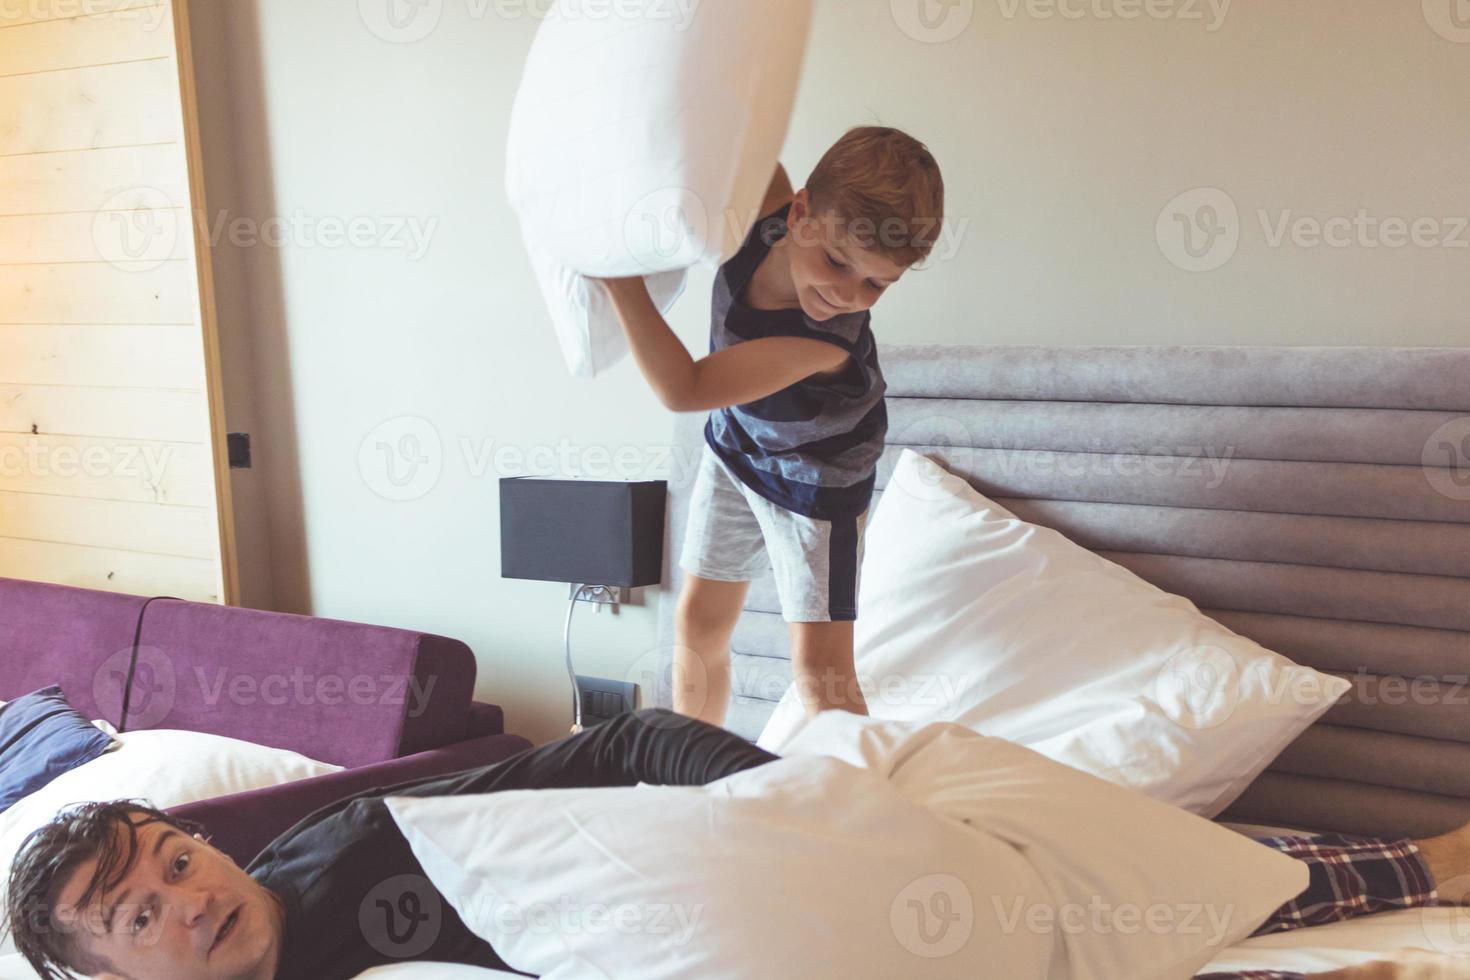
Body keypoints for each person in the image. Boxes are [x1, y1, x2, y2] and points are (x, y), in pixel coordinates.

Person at [4, 709, 1469, 980]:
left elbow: (630, 743)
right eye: (132, 917)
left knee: (1074, 847)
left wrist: (784, 807)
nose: (182, 900)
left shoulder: (354, 839)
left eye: (172, 862)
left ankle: (1417, 866)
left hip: (793, 880)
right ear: (103, 979)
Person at [598, 126, 945, 725]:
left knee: (819, 673)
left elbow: (686, 388)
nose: (846, 293)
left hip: (816, 486)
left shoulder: (820, 341)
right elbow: (736, 136)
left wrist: (620, 283)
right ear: (800, 211)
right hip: (738, 451)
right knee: (698, 625)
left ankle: (859, 795)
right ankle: (692, 765)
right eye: (836, 261)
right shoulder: (764, 210)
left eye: (875, 284)